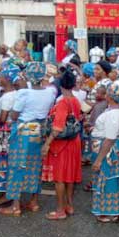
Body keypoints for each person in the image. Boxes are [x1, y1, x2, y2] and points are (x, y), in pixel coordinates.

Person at [0, 62, 57, 216]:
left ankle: (15, 205)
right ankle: (33, 201)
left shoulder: (24, 93)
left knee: (17, 166)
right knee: (35, 165)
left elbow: (15, 115)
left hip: (23, 131)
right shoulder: (50, 93)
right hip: (38, 131)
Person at [41, 71, 82, 220]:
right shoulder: (75, 100)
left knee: (59, 178)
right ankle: (69, 205)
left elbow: (57, 127)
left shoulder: (63, 102)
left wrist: (47, 144)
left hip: (62, 144)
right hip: (74, 141)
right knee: (69, 176)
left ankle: (60, 210)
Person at [90, 82, 119, 222]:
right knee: (110, 178)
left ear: (110, 97)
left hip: (107, 150)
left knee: (107, 179)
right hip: (110, 148)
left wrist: (99, 159)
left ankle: (109, 212)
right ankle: (110, 211)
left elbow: (109, 139)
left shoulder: (113, 115)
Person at [0, 65, 20, 205]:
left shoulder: (8, 97)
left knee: (3, 162)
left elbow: (3, 118)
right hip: (11, 132)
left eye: (1, 76)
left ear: (6, 79)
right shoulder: (15, 93)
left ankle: (5, 193)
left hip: (4, 133)